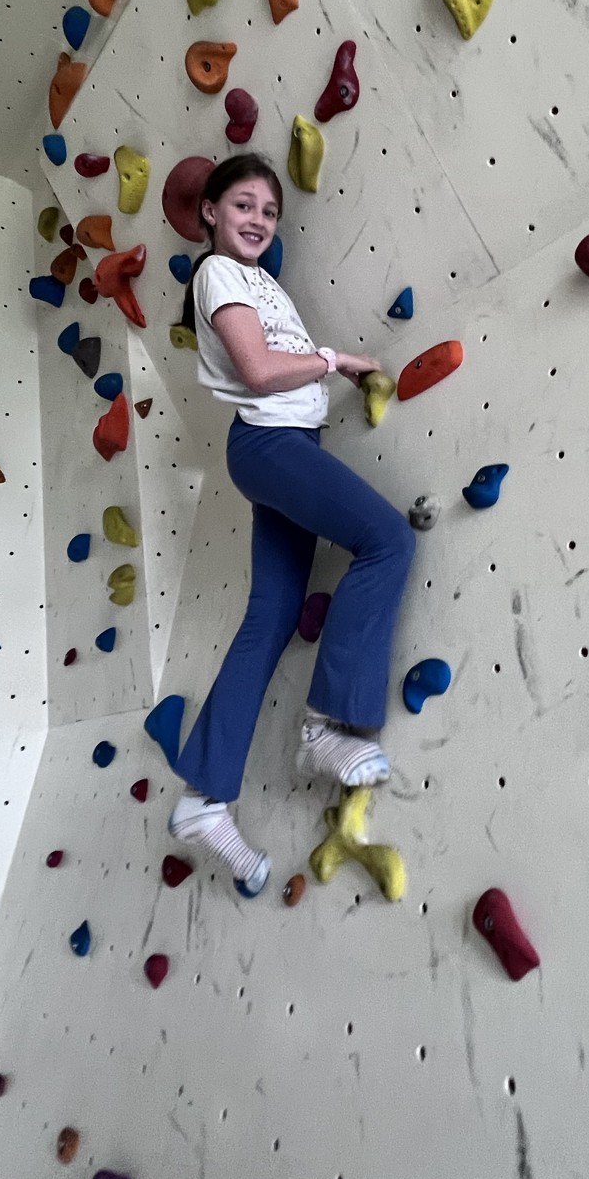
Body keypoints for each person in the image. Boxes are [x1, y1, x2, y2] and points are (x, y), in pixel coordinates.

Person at [148, 152, 416, 897]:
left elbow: (274, 363)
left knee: (269, 617)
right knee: (387, 540)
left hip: (283, 444)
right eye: (244, 205)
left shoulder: (260, 282)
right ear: (209, 212)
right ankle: (326, 725)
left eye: (269, 211)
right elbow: (261, 372)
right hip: (269, 444)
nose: (259, 219)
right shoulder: (216, 274)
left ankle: (205, 797)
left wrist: (336, 368)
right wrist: (334, 359)